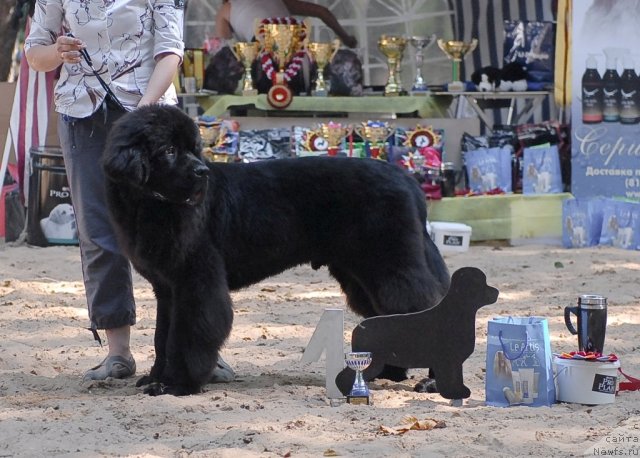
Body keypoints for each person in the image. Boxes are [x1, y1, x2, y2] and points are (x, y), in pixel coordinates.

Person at [23, 0, 184, 381]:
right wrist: (56, 52)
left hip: (151, 115)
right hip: (82, 116)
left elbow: (171, 52)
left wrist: (142, 115)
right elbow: (35, 54)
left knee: (176, 233)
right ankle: (118, 352)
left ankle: (192, 343)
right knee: (98, 231)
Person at [214, 0, 358, 48]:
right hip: (296, 41)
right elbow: (322, 12)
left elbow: (224, 48)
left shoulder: (226, 9)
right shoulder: (279, 1)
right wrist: (346, 39)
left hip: (264, 46)